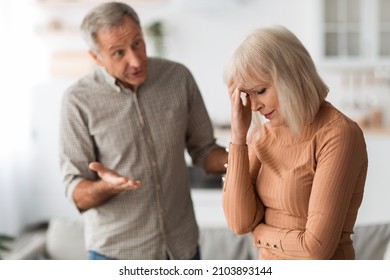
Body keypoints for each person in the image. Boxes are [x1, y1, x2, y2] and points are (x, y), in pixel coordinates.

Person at [59, 1, 227, 260]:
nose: (136, 60)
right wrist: (107, 186)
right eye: (118, 53)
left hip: (182, 249)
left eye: (137, 43)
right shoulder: (78, 101)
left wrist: (249, 156)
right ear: (96, 57)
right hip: (116, 255)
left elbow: (205, 152)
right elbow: (77, 193)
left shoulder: (178, 78)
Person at [222, 26, 368, 260]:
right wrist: (238, 139)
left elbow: (316, 248)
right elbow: (239, 223)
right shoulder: (260, 137)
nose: (254, 106)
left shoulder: (339, 134)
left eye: (260, 91)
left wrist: (259, 233)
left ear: (291, 75)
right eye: (247, 95)